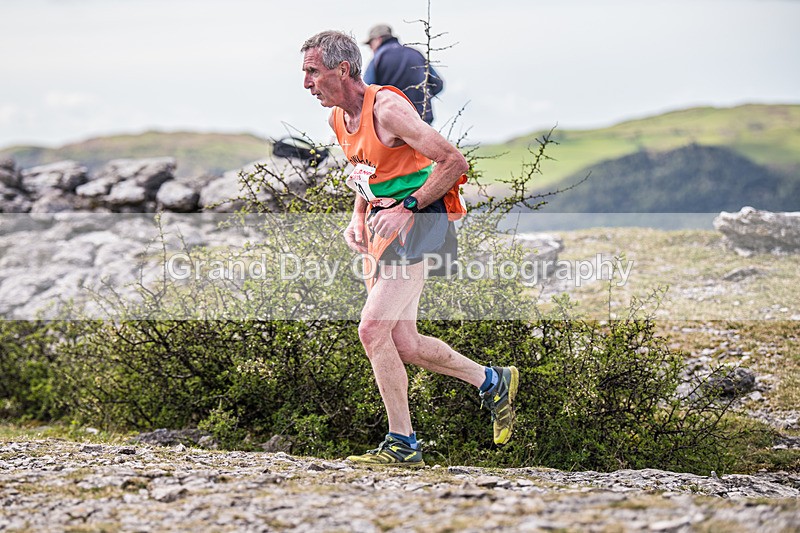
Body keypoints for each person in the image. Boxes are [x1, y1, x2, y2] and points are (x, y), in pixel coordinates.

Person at [300, 30, 518, 467]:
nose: (306, 83)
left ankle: (402, 443)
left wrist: (407, 207)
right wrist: (357, 216)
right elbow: (367, 172)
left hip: (420, 220)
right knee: (405, 341)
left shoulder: (388, 109)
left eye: (313, 72)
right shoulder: (337, 119)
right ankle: (491, 381)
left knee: (372, 329)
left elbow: (454, 162)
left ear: (343, 69)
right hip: (385, 225)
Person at [362, 24, 443, 124]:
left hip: (394, 123)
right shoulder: (416, 54)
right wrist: (421, 99)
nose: (371, 48)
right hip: (422, 121)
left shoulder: (378, 58)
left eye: (370, 44)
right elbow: (438, 84)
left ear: (378, 39)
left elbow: (366, 91)